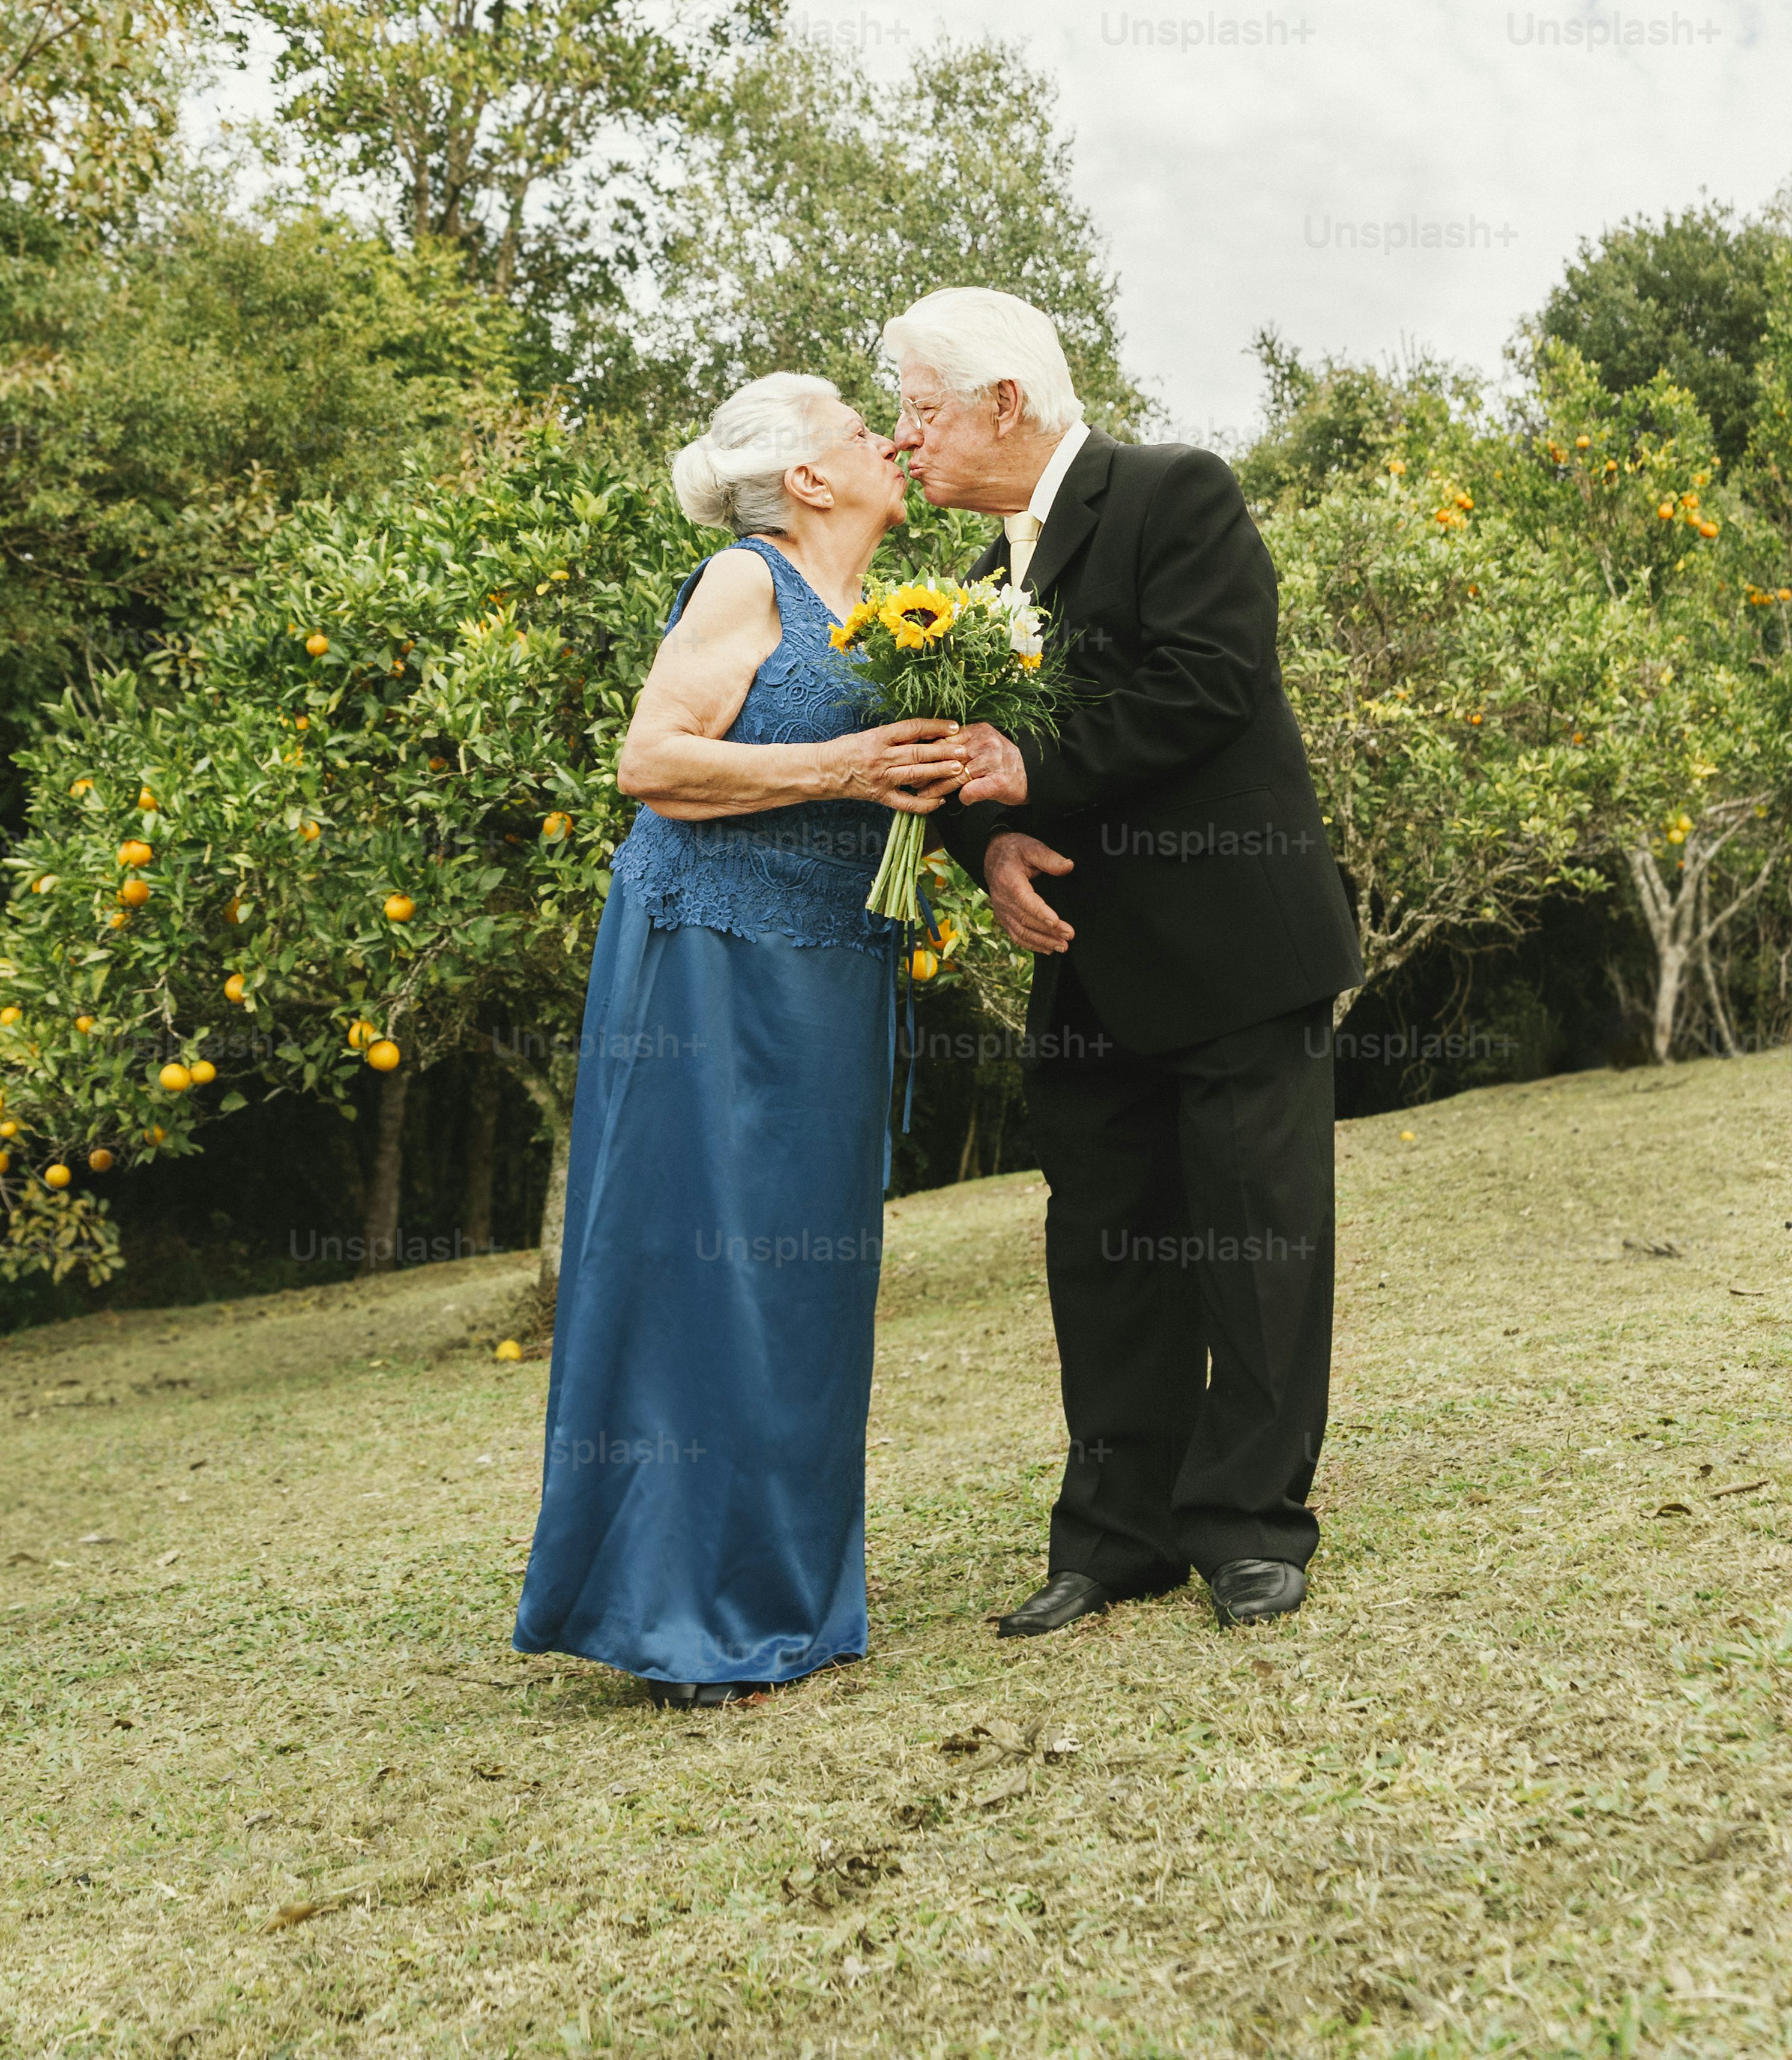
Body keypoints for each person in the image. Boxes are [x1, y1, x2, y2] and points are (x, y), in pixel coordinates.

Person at [881, 288, 1363, 1633]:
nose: (905, 439)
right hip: (1086, 968)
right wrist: (988, 846)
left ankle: (1250, 1528)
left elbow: (1210, 681)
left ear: (1004, 403)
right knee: (1102, 1253)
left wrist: (1036, 766)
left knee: (1257, 1247)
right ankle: (1114, 1539)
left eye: (920, 410)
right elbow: (966, 771)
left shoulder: (1173, 494)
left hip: (1234, 948)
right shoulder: (972, 587)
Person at [513, 373, 963, 1706]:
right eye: (859, 429)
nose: (888, 439)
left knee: (809, 1275)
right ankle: (683, 1614)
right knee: (707, 1271)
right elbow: (652, 762)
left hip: (835, 967)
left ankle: (788, 1594)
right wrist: (850, 767)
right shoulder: (744, 579)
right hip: (705, 963)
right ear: (809, 479)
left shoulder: (885, 612)